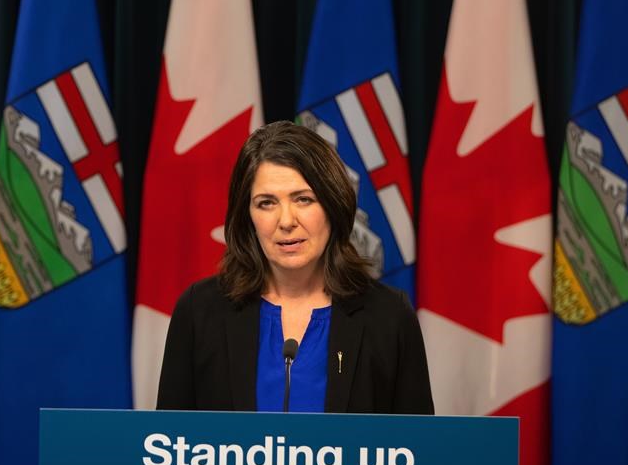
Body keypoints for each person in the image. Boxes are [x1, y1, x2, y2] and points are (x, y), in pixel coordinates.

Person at [156, 120, 433, 416]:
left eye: (303, 199)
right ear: (247, 215)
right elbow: (171, 448)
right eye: (266, 203)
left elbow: (415, 453)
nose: (286, 221)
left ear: (332, 204)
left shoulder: (388, 316)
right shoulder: (200, 311)